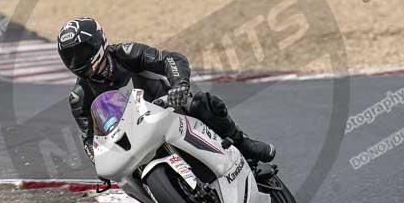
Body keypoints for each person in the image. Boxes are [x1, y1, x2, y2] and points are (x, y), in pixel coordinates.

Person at [58, 17, 275, 166]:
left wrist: (179, 84)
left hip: (169, 110)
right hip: (132, 140)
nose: (78, 61)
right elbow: (89, 140)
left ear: (98, 42)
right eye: (71, 57)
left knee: (204, 103)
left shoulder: (126, 53)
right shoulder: (79, 96)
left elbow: (169, 59)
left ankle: (242, 142)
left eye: (82, 52)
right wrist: (100, 160)